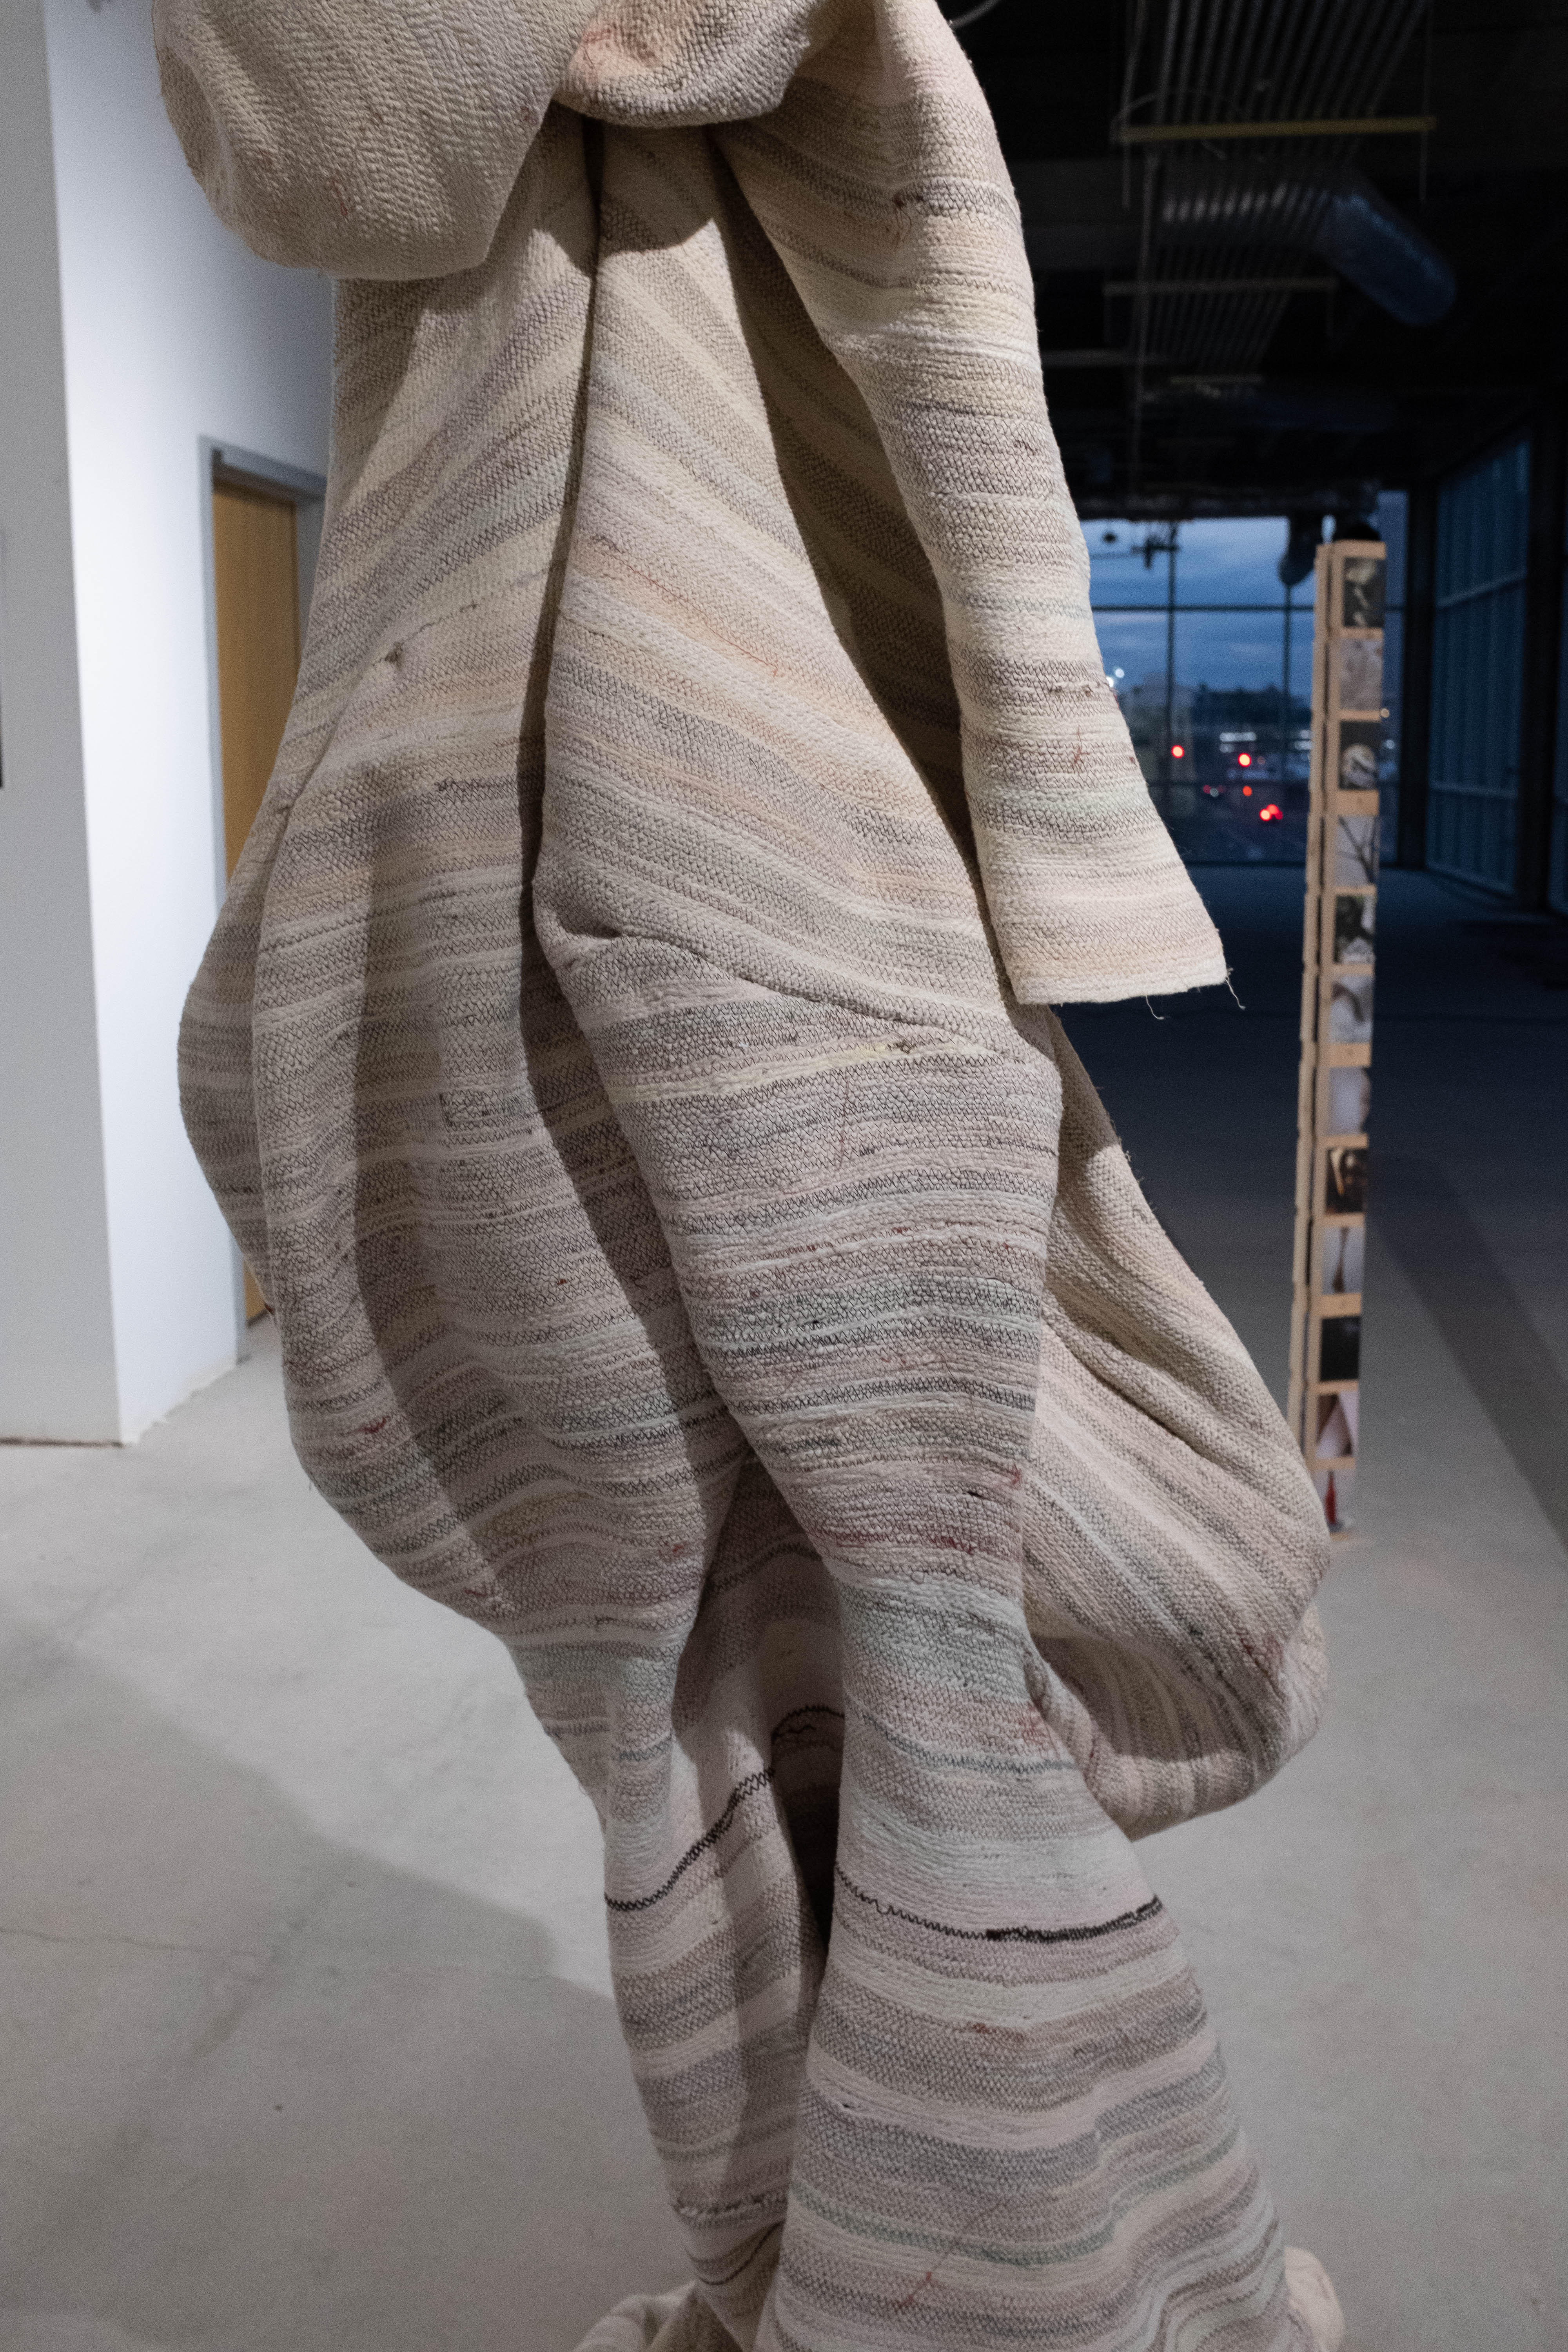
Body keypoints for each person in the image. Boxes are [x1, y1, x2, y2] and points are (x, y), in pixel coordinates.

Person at [155, 0, 1342, 2343]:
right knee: (777, 1669)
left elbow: (337, 129)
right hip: (636, 870)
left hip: (668, 863)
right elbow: (352, 119)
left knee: (830, 1662)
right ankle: (960, 2255)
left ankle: (951, 2250)